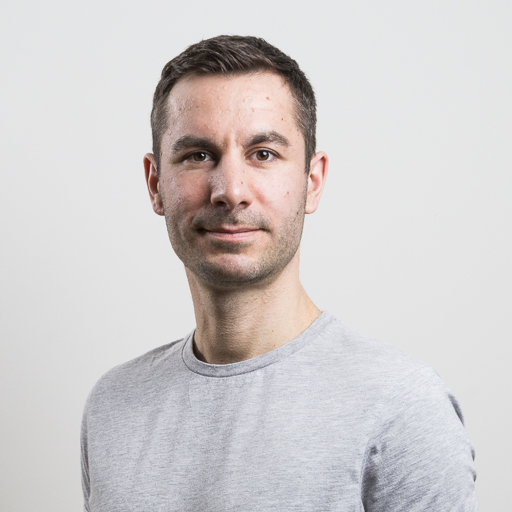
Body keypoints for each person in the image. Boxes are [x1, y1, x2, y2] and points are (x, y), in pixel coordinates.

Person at [81, 35, 478, 511]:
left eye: (263, 153)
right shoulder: (113, 408)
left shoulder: (401, 407)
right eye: (198, 155)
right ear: (155, 184)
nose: (231, 190)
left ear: (312, 182)